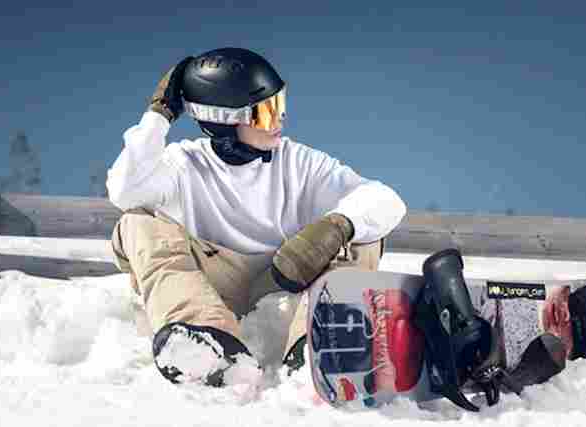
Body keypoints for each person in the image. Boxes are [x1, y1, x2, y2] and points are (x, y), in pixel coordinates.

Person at [106, 47, 407, 386]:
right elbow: (124, 191)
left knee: (363, 232)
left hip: (288, 281)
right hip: (210, 286)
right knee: (136, 222)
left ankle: (322, 346)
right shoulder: (182, 164)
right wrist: (158, 116)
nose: (278, 121)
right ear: (223, 120)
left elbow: (385, 199)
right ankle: (203, 344)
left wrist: (338, 225)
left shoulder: (299, 162)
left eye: (280, 105)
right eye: (265, 112)